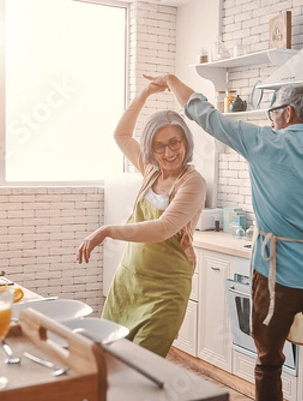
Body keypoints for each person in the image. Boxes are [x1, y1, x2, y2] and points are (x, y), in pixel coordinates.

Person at [146, 74, 303, 401]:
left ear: (288, 112)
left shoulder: (262, 142)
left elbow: (204, 113)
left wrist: (171, 80)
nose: (272, 120)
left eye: (273, 113)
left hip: (272, 278)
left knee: (268, 365)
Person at [76, 79, 206, 358]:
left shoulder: (192, 183)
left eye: (174, 142)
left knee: (141, 365)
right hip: (128, 283)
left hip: (165, 292)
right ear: (151, 149)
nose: (169, 153)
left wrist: (108, 230)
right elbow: (121, 134)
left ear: (185, 141)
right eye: (160, 147)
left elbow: (163, 229)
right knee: (109, 358)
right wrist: (145, 93)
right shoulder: (151, 170)